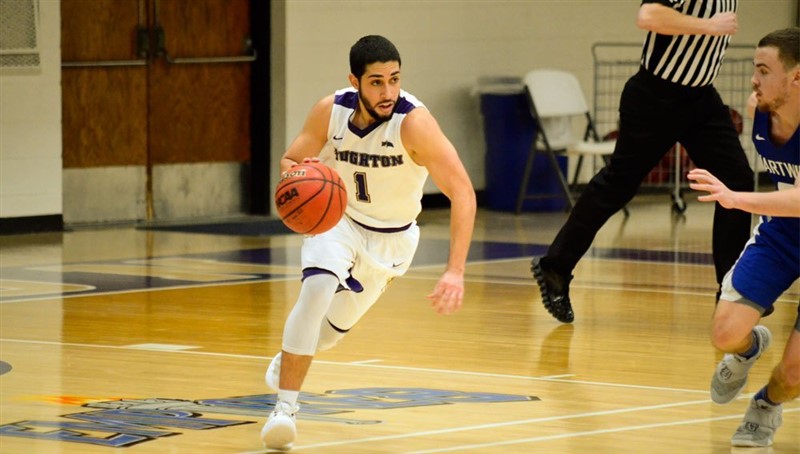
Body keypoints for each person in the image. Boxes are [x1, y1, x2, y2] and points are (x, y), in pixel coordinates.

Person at [260, 35, 476, 450]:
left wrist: (455, 270)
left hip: (392, 242)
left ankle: (291, 354)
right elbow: (290, 160)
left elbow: (463, 192)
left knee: (330, 332)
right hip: (338, 221)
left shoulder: (414, 123)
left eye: (394, 79)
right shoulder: (331, 111)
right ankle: (284, 410)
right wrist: (300, 172)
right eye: (376, 82)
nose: (387, 91)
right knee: (317, 288)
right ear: (354, 81)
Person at [531, 0, 754, 323]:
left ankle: (730, 291)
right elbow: (648, 15)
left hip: (701, 98)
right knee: (617, 186)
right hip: (655, 96)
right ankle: (555, 267)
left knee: (737, 182)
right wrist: (708, 25)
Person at [688, 27, 799, 448]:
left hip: (789, 211)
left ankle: (767, 405)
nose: (754, 80)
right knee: (724, 334)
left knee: (792, 375)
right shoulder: (759, 109)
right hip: (784, 234)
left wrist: (735, 198)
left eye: (763, 70)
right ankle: (751, 347)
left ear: (796, 77)